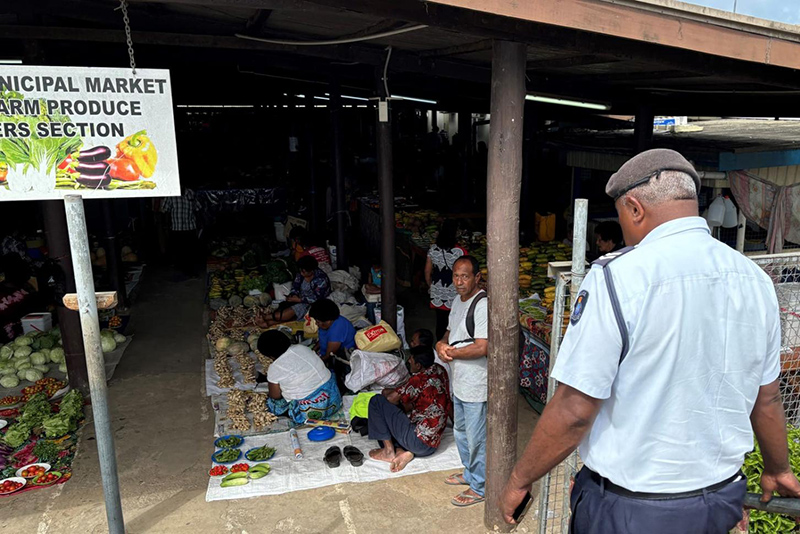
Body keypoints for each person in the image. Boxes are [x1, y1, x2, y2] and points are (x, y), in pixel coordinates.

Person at [499, 148, 800, 532]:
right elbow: (768, 396)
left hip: (633, 512)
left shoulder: (618, 277)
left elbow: (575, 409)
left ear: (635, 208)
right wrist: (777, 468)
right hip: (720, 502)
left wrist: (520, 479)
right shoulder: (755, 280)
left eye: (622, 216)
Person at [435, 255, 487, 507]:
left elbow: (482, 347)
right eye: (456, 276)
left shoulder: (482, 305)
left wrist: (451, 353)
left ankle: (480, 486)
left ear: (477, 277)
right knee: (461, 432)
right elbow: (450, 331)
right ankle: (469, 473)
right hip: (460, 381)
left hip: (477, 383)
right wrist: (440, 343)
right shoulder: (457, 301)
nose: (459, 281)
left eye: (465, 276)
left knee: (477, 437)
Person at [368, 345, 451, 473]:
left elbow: (391, 399)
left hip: (416, 441)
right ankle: (404, 452)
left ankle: (389, 451)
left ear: (418, 365)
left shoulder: (418, 379)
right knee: (396, 418)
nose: (409, 362)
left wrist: (386, 392)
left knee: (376, 402)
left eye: (411, 360)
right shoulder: (440, 370)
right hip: (432, 445)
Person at [258, 330, 342, 425]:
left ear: (270, 355)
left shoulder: (274, 368)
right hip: (334, 399)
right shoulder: (302, 348)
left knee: (273, 403)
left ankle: (294, 415)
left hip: (311, 411)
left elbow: (275, 395)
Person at [257, 255, 330, 327]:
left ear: (312, 271)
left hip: (314, 303)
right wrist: (293, 294)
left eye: (304, 272)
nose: (301, 273)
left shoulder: (321, 280)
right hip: (300, 298)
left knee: (295, 310)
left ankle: (267, 318)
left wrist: (299, 300)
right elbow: (295, 285)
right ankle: (268, 323)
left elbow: (317, 298)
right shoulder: (301, 273)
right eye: (301, 271)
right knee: (284, 307)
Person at [425, 219, 467, 340]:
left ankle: (439, 346)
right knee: (454, 320)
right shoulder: (460, 252)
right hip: (454, 291)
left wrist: (431, 286)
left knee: (440, 321)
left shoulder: (433, 249)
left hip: (437, 289)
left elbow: (427, 271)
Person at [160, 188, 201, 277]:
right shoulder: (170, 194)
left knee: (190, 250)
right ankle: (181, 270)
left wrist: (198, 225)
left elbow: (197, 208)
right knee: (179, 250)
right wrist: (166, 226)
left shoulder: (191, 193)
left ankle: (190, 271)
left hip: (190, 226)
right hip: (176, 227)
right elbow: (165, 211)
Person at [411, 328, 452, 397]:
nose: (411, 344)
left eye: (414, 343)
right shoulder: (419, 356)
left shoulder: (438, 363)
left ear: (422, 346)